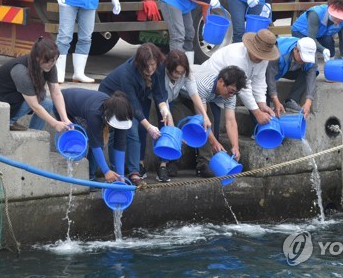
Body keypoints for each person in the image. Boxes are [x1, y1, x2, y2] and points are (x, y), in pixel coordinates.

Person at [99, 43, 173, 186]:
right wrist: (149, 126)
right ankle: (121, 172)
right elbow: (133, 105)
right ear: (139, 63)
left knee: (137, 130)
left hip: (136, 97)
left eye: (153, 65)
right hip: (111, 96)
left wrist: (165, 110)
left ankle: (133, 171)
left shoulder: (159, 66)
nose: (151, 69)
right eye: (147, 66)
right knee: (129, 130)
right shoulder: (127, 73)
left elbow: (159, 92)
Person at [173, 66, 247, 177]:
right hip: (178, 93)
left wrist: (235, 146)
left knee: (210, 120)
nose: (231, 95)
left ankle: (204, 164)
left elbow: (231, 121)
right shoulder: (205, 85)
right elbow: (202, 119)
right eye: (230, 91)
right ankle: (172, 161)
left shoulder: (231, 94)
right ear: (221, 81)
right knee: (180, 123)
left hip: (199, 98)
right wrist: (214, 142)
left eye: (235, 93)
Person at [0, 37, 71, 132]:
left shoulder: (50, 66)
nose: (50, 64)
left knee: (47, 103)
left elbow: (56, 92)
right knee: (37, 99)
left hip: (16, 94)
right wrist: (55, 124)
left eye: (54, 60)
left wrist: (65, 119)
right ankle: (9, 121)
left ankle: (35, 133)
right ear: (36, 58)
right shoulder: (21, 71)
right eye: (47, 61)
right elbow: (34, 105)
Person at [197, 28, 279, 127]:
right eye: (258, 55)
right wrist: (257, 113)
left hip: (226, 90)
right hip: (208, 85)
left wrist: (262, 104)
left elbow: (259, 81)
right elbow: (243, 88)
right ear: (250, 48)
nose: (260, 59)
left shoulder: (264, 59)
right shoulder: (237, 56)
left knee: (217, 123)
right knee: (210, 122)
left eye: (263, 56)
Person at [155, 50, 211, 182]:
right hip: (159, 101)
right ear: (168, 68)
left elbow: (194, 94)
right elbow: (164, 103)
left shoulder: (186, 74)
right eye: (175, 72)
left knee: (179, 124)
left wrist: (204, 115)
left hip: (172, 100)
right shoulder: (160, 74)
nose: (177, 75)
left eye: (181, 72)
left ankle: (173, 161)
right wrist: (173, 131)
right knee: (166, 127)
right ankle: (162, 165)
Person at [61, 88, 133, 183]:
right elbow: (95, 144)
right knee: (79, 141)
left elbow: (120, 145)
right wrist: (106, 171)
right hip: (63, 104)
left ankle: (90, 176)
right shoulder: (95, 113)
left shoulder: (123, 116)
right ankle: (83, 178)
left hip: (84, 106)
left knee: (99, 141)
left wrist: (121, 176)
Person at [291, 0, 343, 68]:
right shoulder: (315, 14)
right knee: (308, 50)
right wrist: (323, 50)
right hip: (301, 32)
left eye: (342, 17)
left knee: (328, 41)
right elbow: (311, 38)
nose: (340, 20)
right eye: (337, 16)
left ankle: (330, 67)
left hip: (322, 33)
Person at [266, 37, 318, 117]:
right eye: (302, 57)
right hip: (275, 68)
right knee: (265, 77)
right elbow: (270, 76)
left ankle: (292, 100)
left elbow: (311, 77)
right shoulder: (278, 51)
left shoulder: (311, 55)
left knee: (313, 72)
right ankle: (269, 100)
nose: (304, 61)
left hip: (292, 70)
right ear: (295, 49)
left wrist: (308, 102)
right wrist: (275, 99)